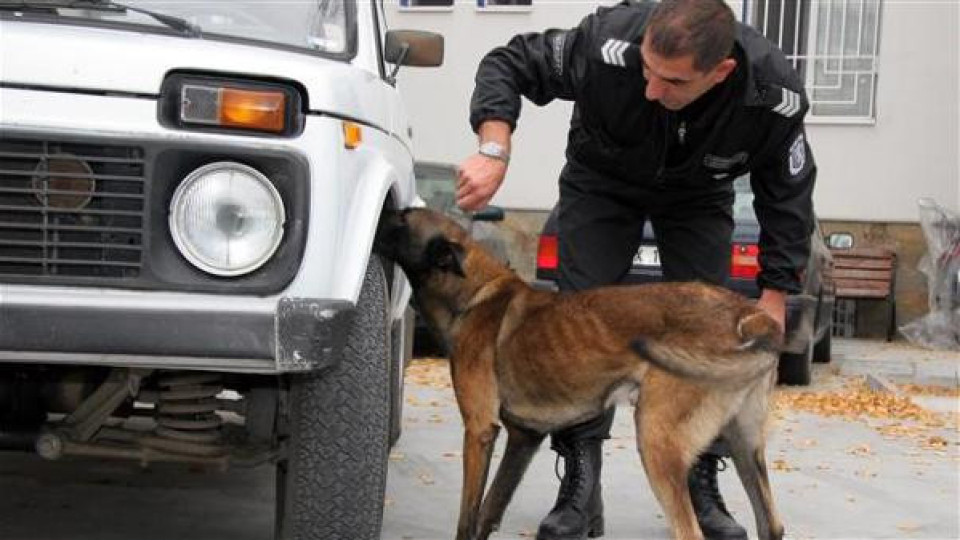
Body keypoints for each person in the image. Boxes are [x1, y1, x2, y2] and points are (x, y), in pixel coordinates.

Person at [456, 0, 816, 539]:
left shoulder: (771, 94)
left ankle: (702, 484)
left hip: (698, 196)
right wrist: (493, 148)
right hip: (602, 182)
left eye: (672, 81)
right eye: (646, 70)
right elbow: (509, 62)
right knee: (576, 333)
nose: (651, 89)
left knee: (707, 340)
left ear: (720, 72)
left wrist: (775, 296)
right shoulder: (607, 40)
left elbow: (787, 195)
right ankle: (579, 487)